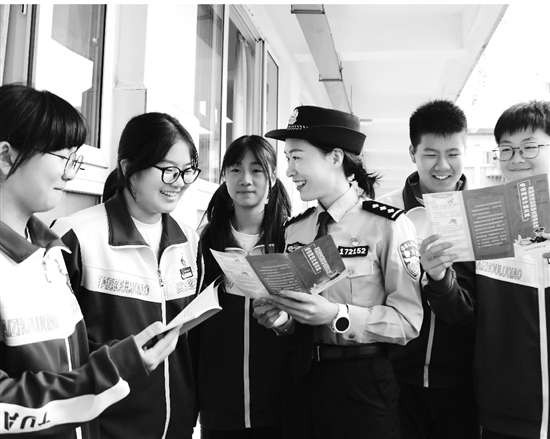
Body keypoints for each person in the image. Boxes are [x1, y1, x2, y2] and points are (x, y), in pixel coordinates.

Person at [0, 83, 181, 438]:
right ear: (6, 157)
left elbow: (67, 361)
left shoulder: (49, 253)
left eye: (76, 159)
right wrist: (110, 369)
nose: (71, 173)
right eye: (63, 157)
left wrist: (125, 356)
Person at [253, 105, 423, 439]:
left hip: (362, 384)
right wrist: (281, 319)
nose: (289, 170)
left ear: (334, 157)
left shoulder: (387, 225)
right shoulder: (296, 230)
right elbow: (298, 316)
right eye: (287, 158)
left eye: (297, 158)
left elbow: (408, 322)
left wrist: (336, 315)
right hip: (302, 380)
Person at [51, 112, 202, 439]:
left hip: (176, 430)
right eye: (168, 169)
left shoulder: (189, 242)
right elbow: (58, 351)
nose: (179, 182)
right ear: (129, 168)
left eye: (188, 170)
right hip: (104, 428)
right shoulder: (77, 235)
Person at [420, 100, 550, 439]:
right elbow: (464, 313)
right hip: (503, 412)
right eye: (506, 149)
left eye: (529, 147)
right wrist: (439, 279)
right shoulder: (484, 217)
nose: (516, 158)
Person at [378, 100, 478, 439]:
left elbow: (478, 309)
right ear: (412, 152)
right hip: (395, 381)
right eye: (430, 154)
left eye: (453, 154)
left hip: (462, 387)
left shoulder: (483, 215)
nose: (443, 166)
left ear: (466, 152)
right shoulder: (385, 212)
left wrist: (441, 280)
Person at [189, 135, 293, 438]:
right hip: (219, 410)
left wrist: (284, 320)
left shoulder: (291, 239)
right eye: (235, 169)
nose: (245, 179)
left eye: (256, 170)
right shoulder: (204, 242)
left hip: (281, 408)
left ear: (272, 177)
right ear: (224, 176)